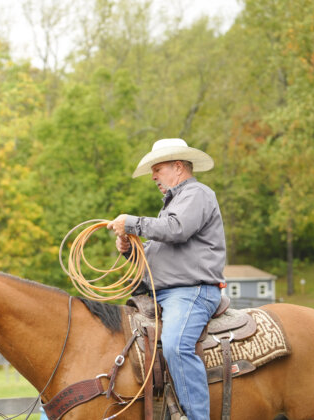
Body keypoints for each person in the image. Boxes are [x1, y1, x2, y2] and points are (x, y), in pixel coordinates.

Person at [107, 138, 226, 420]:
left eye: (158, 169)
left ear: (178, 167)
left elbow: (176, 230)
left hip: (192, 291)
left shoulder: (197, 194)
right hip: (165, 293)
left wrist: (133, 222)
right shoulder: (175, 203)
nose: (153, 176)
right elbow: (159, 255)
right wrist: (130, 251)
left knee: (176, 345)